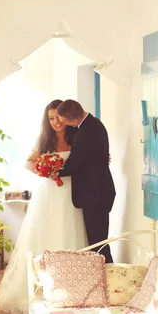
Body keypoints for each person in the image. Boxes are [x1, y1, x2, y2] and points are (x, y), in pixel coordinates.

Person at [0, 99, 88, 314]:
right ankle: (45, 286)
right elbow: (29, 161)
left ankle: (72, 287)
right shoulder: (44, 139)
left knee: (70, 229)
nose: (56, 121)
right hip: (49, 192)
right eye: (51, 118)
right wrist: (43, 170)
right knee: (47, 231)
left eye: (58, 116)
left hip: (71, 193)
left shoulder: (76, 136)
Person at [56, 99, 116, 264]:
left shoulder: (85, 133)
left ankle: (108, 277)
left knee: (98, 244)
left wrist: (54, 172)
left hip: (95, 194)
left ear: (74, 121)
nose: (64, 125)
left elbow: (75, 163)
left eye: (64, 122)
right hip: (100, 191)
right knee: (99, 240)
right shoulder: (95, 123)